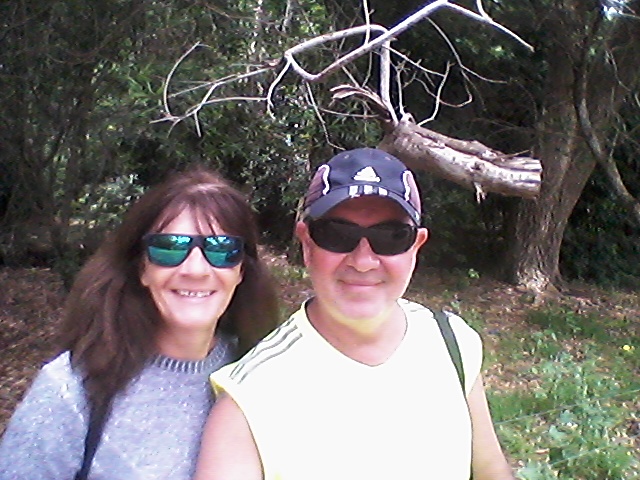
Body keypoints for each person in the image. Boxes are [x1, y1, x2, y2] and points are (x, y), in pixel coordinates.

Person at [194, 148, 514, 480]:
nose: (363, 261)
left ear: (416, 247)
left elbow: (492, 470)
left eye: (390, 237)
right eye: (337, 235)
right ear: (306, 243)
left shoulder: (452, 343)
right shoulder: (249, 397)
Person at [0, 167, 280, 479]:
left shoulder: (258, 377)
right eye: (170, 247)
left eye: (221, 249)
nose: (196, 269)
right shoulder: (71, 390)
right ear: (142, 269)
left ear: (241, 270)